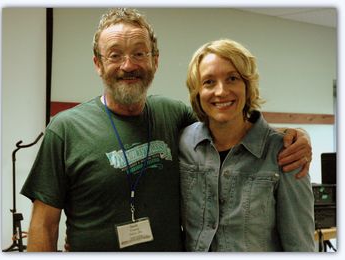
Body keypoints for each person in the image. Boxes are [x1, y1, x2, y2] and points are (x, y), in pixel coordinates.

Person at [20, 8, 312, 252]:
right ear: (98, 64)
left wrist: (293, 136)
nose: (128, 65)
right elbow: (44, 224)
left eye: (139, 53)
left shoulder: (174, 116)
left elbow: (228, 123)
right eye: (114, 55)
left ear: (155, 61)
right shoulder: (65, 129)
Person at [179, 39, 315, 252]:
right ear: (197, 91)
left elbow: (300, 245)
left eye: (232, 78)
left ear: (247, 85)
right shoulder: (185, 143)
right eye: (209, 82)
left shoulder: (286, 151)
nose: (221, 91)